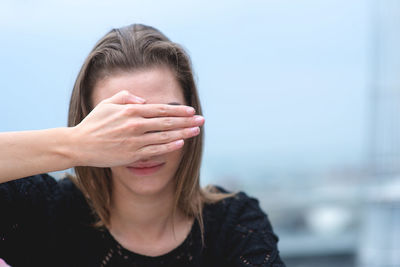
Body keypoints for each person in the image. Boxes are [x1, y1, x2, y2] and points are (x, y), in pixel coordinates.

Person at [0, 24, 285, 267]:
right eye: (121, 125)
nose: (142, 145)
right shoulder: (43, 211)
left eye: (163, 119)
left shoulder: (234, 224)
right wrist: (74, 144)